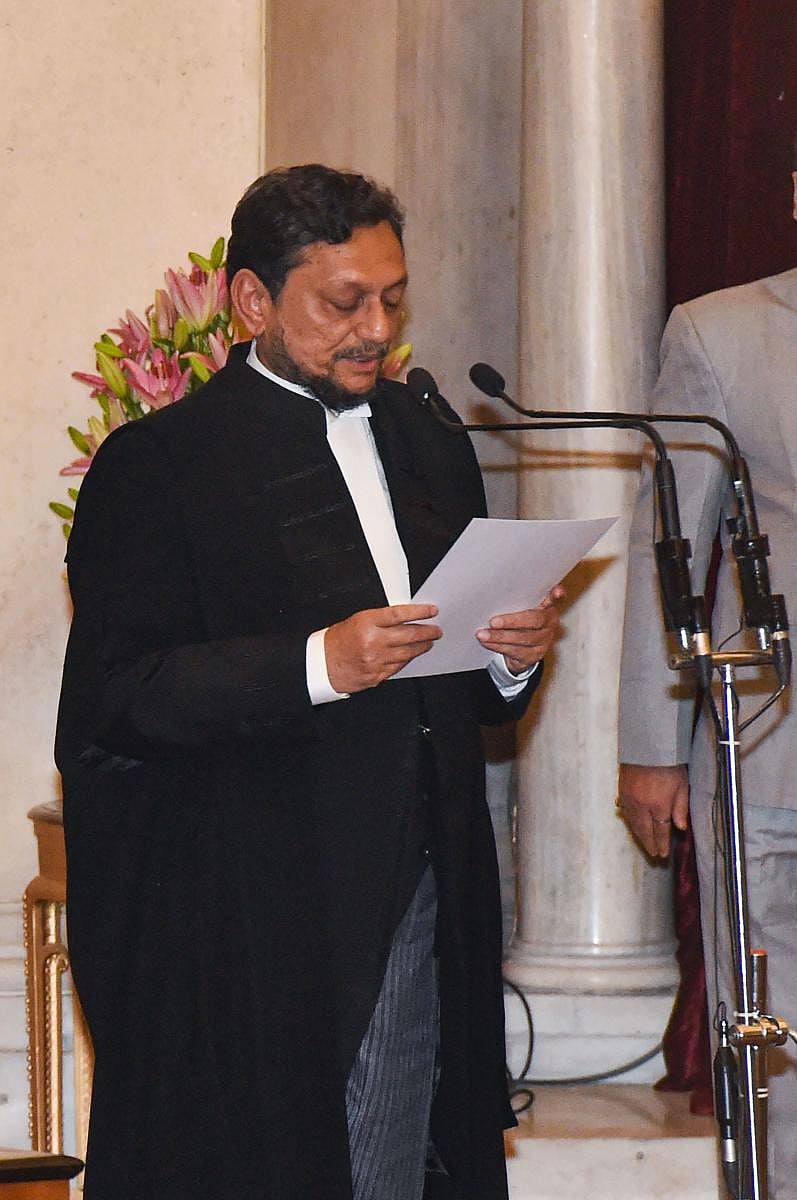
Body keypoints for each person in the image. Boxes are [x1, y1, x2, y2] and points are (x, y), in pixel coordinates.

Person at [56, 164, 561, 1200]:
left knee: (395, 1154)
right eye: (343, 303)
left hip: (417, 874)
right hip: (246, 909)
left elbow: (455, 683)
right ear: (250, 300)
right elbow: (117, 702)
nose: (375, 327)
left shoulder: (428, 440)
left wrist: (509, 654)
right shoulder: (159, 465)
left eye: (390, 297)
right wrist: (312, 666)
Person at [617, 172, 797, 1197]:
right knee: (774, 1069)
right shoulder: (721, 334)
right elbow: (667, 556)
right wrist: (648, 744)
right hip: (774, 759)